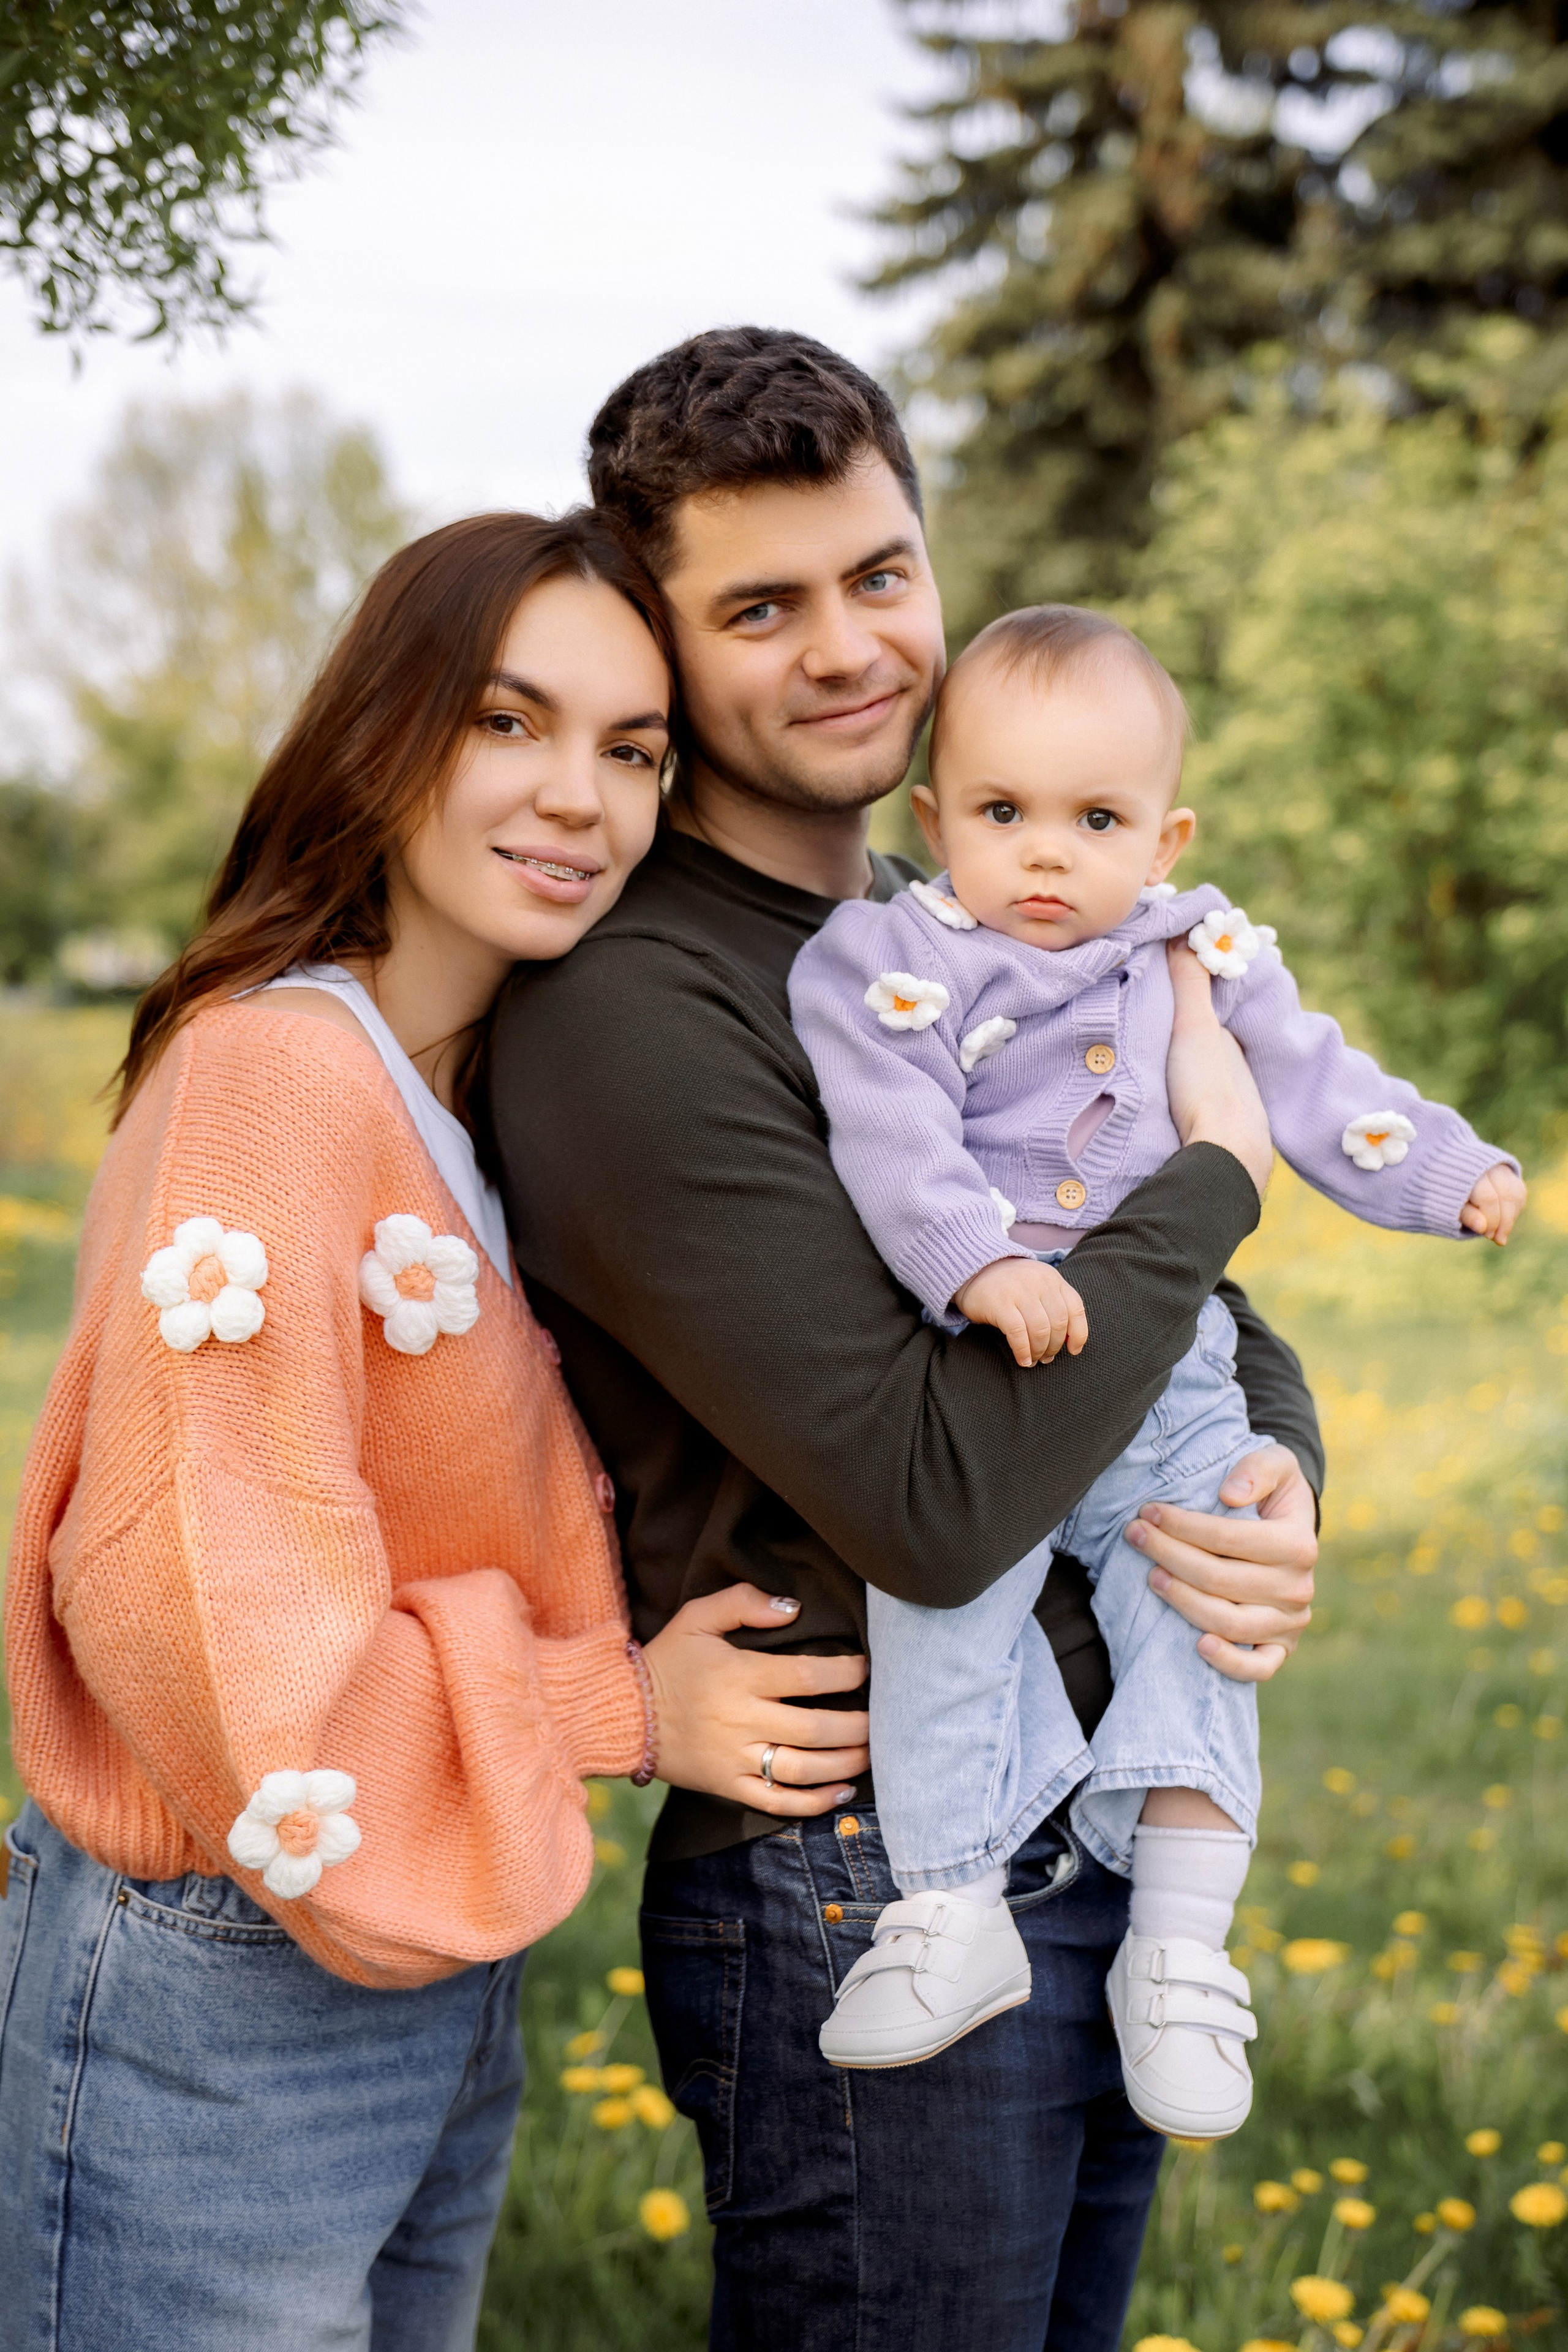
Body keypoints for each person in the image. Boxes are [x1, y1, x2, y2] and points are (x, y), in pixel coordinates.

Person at [484, 329, 1322, 2351]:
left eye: (878, 575)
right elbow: (936, 1501)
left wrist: (1280, 1466)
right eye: (760, 608)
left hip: (1102, 1823)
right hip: (860, 1870)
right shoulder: (637, 1019)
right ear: (665, 651)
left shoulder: (980, 935)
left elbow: (1174, 1316)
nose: (847, 646)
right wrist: (1218, 1169)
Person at [0, 508, 871, 2352]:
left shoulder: (465, 1100)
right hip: (222, 1967)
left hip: (429, 1935)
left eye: (632, 751)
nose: (581, 796)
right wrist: (619, 1709)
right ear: (385, 731)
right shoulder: (276, 1078)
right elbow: (200, 1601)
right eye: (508, 722)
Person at [790, 602, 1525, 2130]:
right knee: (940, 1602)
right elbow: (889, 1129)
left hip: (1163, 1366)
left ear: (1166, 832)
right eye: (1001, 814)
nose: (1045, 856)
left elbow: (1316, 1086)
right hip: (978, 1360)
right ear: (934, 818)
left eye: (1095, 819)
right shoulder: (893, 957)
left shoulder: (1197, 944)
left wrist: (1444, 1175)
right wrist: (976, 1264)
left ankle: (1180, 1952)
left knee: (1201, 1588)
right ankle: (948, 1908)